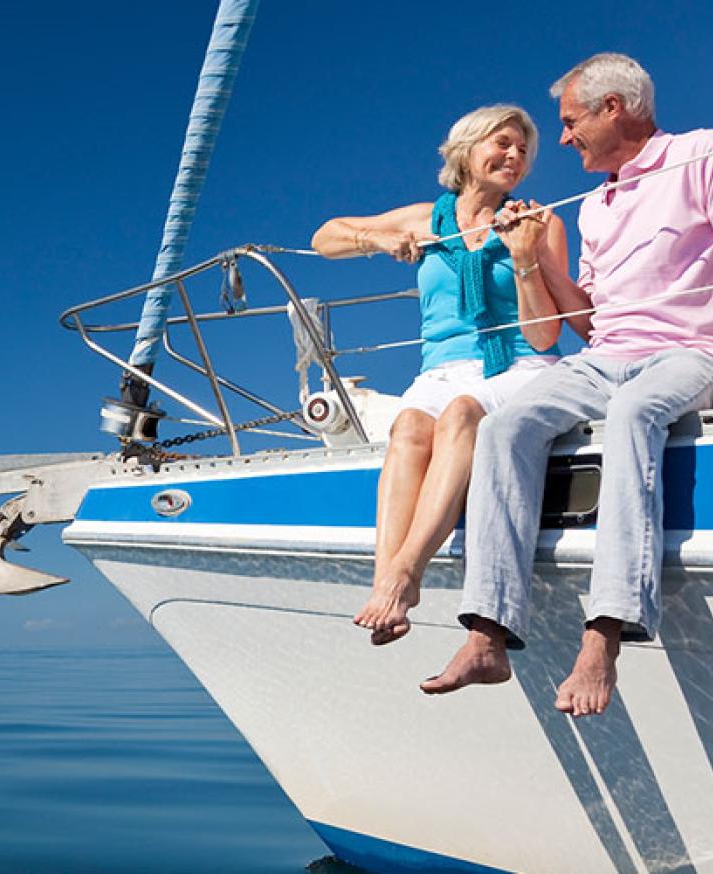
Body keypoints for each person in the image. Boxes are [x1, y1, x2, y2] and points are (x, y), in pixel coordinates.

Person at [422, 53, 713, 717]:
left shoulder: (698, 156)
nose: (561, 139)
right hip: (606, 355)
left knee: (637, 412)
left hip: (690, 351)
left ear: (615, 108)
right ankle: (487, 634)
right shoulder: (595, 208)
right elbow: (585, 324)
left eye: (569, 121)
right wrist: (529, 260)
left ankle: (604, 634)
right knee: (505, 426)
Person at [312, 105, 568, 645]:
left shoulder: (541, 222)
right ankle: (385, 581)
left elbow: (546, 336)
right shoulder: (425, 218)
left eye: (523, 150)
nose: (514, 156)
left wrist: (523, 256)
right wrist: (377, 242)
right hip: (441, 367)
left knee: (460, 416)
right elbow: (325, 237)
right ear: (467, 151)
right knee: (407, 429)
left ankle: (405, 574)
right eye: (502, 144)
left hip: (518, 362)